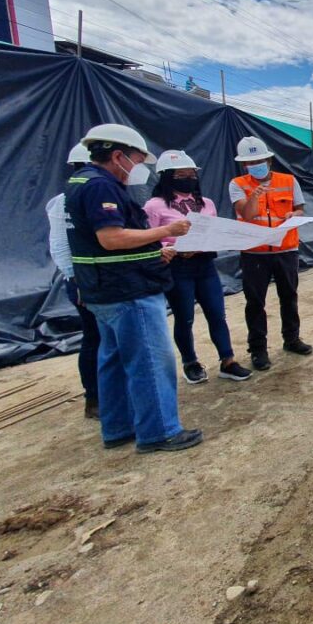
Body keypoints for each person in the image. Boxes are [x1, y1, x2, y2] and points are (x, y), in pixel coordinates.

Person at [65, 123, 202, 454]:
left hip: (102, 289)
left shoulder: (79, 182)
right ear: (118, 156)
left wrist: (154, 251)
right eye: (139, 160)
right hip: (127, 289)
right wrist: (164, 232)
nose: (140, 169)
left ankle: (117, 426)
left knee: (111, 359)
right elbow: (110, 238)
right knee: (150, 361)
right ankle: (159, 431)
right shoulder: (101, 187)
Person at [145, 150, 252, 384]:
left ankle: (228, 360)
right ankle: (190, 362)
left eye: (191, 173)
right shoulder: (155, 206)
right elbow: (149, 238)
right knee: (184, 318)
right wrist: (170, 248)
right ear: (167, 177)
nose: (188, 178)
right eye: (181, 174)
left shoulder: (206, 204)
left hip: (205, 265)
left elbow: (212, 231)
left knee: (217, 313)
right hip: (177, 268)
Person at [229, 136, 313, 371]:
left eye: (259, 160)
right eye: (250, 162)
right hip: (254, 253)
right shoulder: (237, 184)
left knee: (289, 296)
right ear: (244, 165)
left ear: (268, 160)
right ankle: (258, 350)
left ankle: (292, 339)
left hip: (286, 248)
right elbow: (246, 214)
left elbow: (299, 208)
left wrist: (294, 215)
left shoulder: (288, 180)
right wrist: (255, 195)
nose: (255, 164)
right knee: (255, 302)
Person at [46, 142, 101, 419]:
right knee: (94, 337)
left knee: (108, 338)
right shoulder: (62, 202)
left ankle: (110, 392)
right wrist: (76, 279)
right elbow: (59, 245)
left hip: (102, 278)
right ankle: (94, 398)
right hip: (83, 281)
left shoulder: (97, 194)